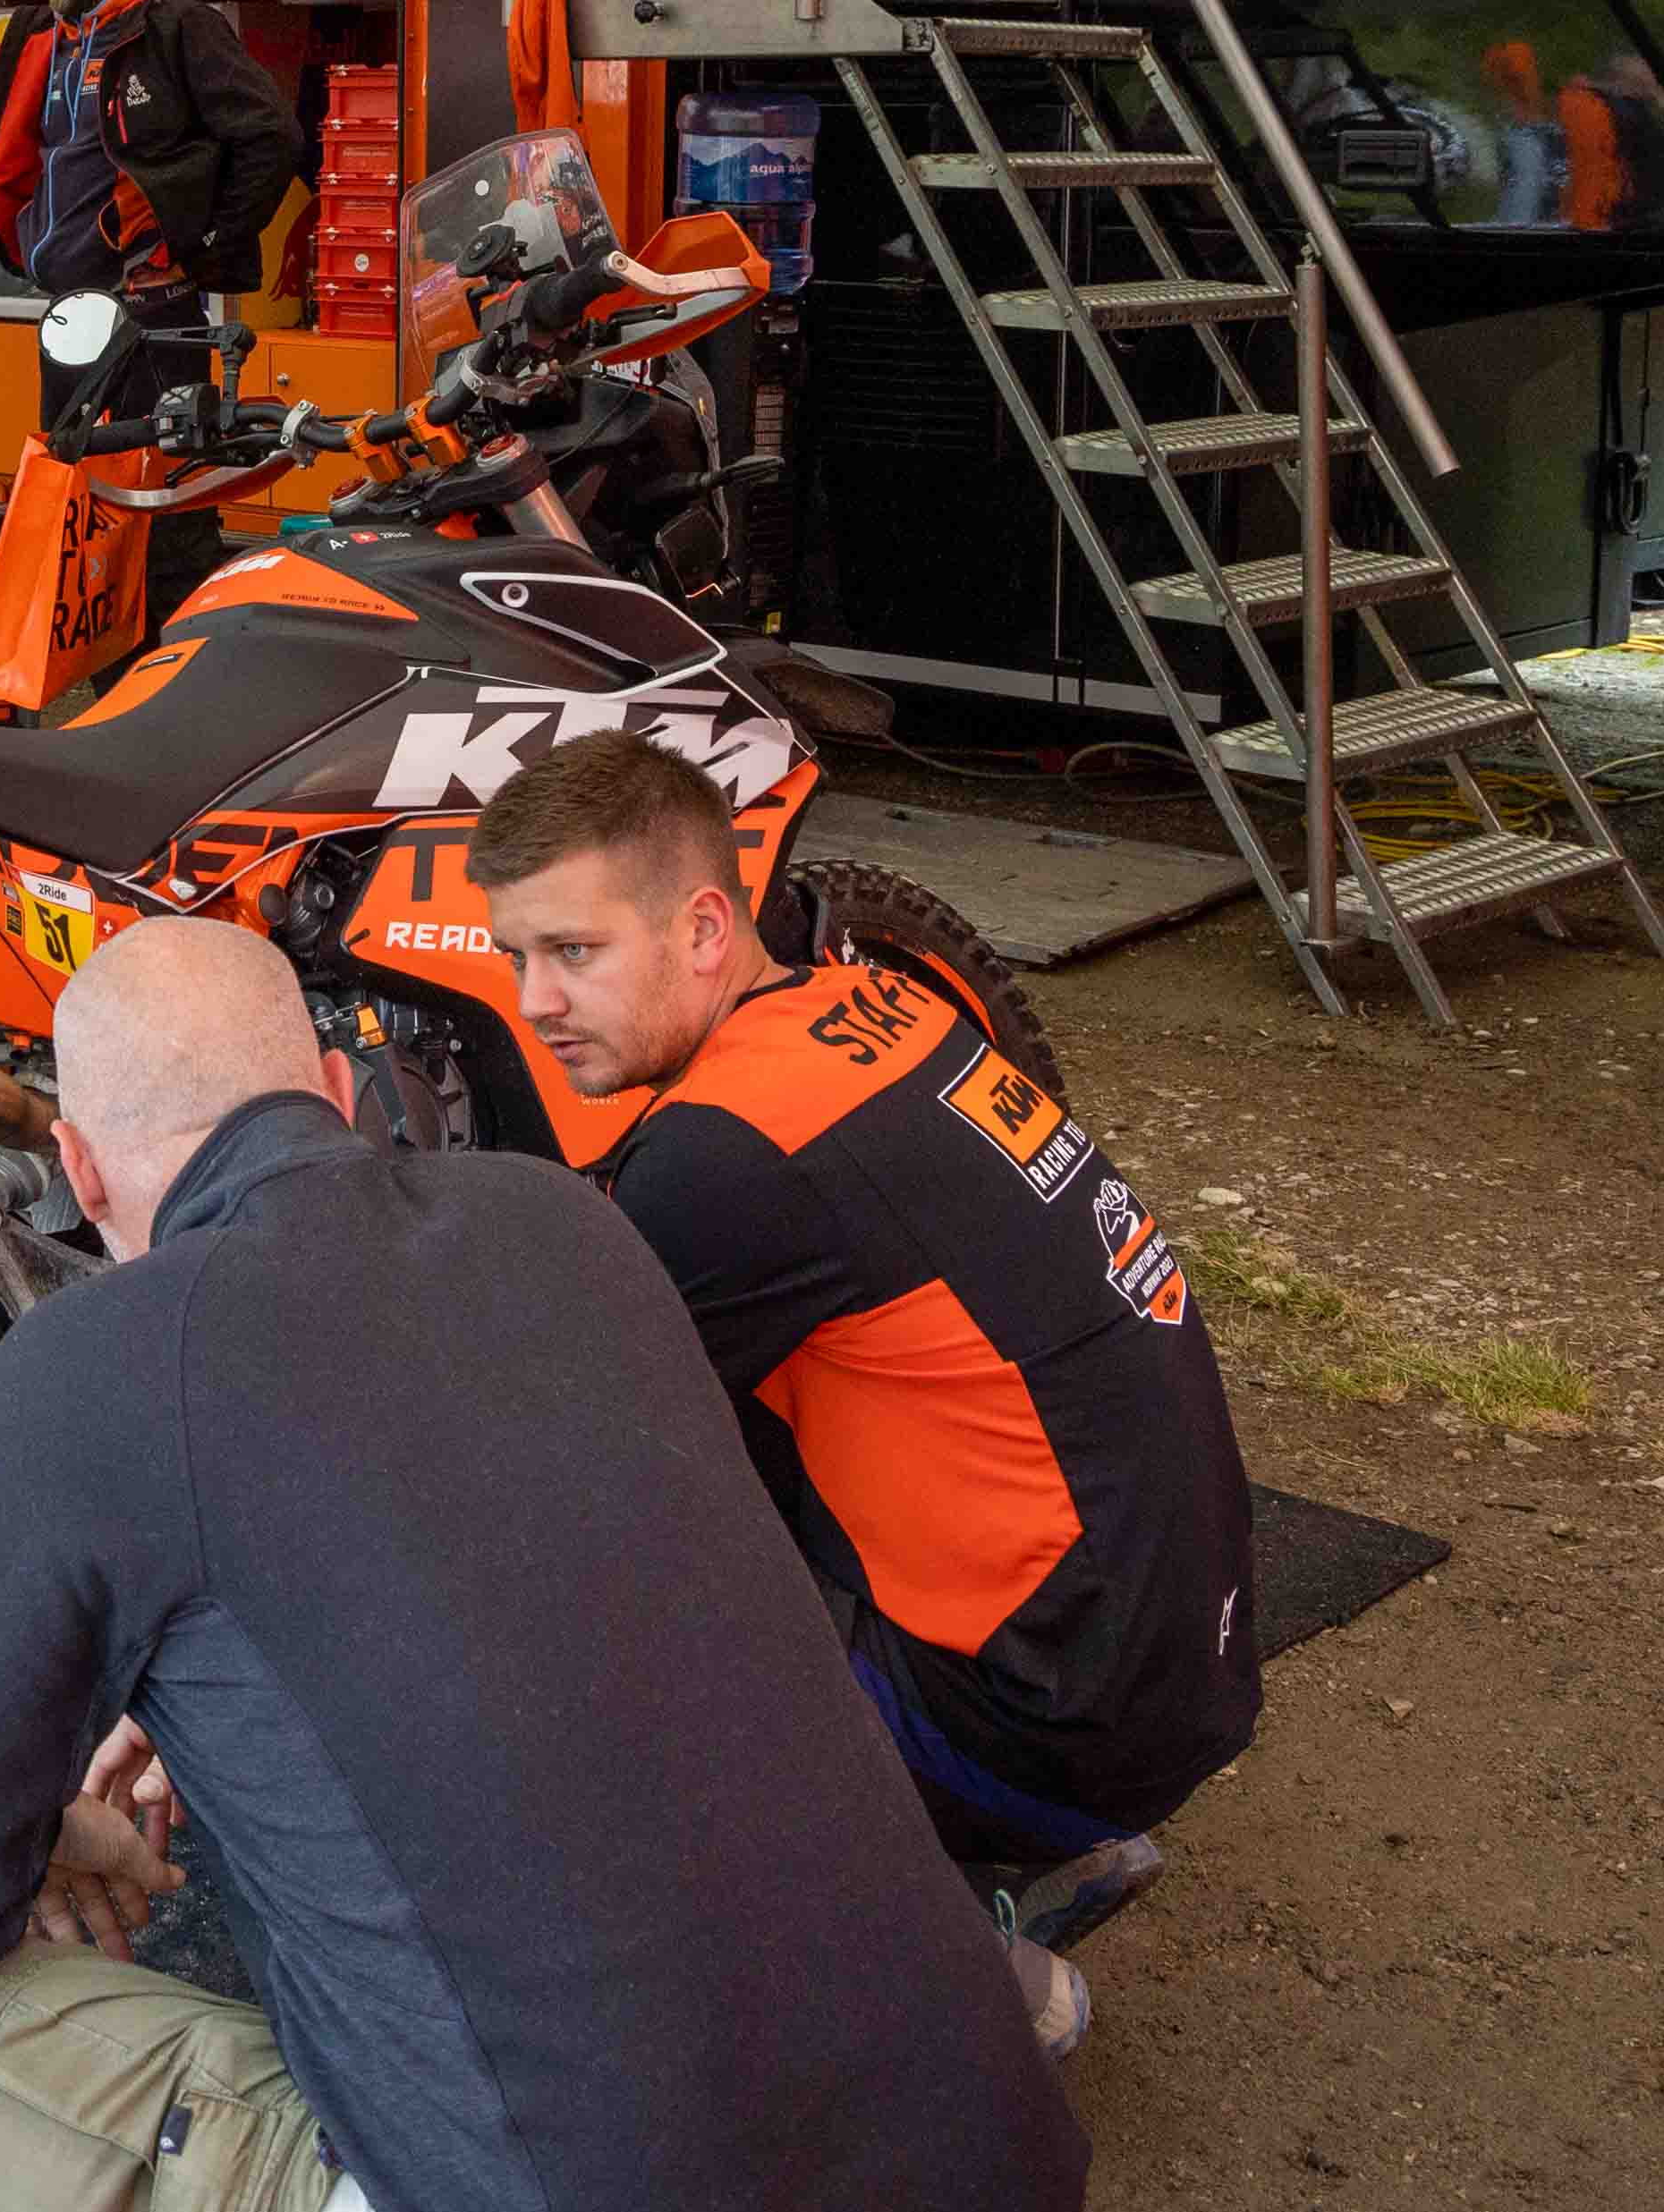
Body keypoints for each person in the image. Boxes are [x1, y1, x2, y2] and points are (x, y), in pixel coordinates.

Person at [0, 917, 1086, 2212]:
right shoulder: (571, 1224)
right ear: (338, 1093)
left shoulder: (94, 1364)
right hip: (995, 2187)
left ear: (80, 1169)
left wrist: (32, 1823)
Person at [471, 733, 1261, 1954]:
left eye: (574, 952)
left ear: (703, 929)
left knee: (544, 1623)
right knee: (697, 1407)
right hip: (1173, 1664)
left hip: (1053, 1729)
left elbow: (520, 1446)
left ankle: (957, 1971)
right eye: (514, 958)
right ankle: (1004, 1840)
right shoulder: (873, 1009)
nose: (534, 1003)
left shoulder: (727, 1153)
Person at [0, 0, 295, 614]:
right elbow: (13, 159)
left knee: (167, 503)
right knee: (75, 501)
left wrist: (206, 244)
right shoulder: (42, 36)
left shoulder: (177, 27)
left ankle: (172, 654)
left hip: (154, 318)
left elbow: (271, 137)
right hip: (72, 316)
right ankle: (97, 658)